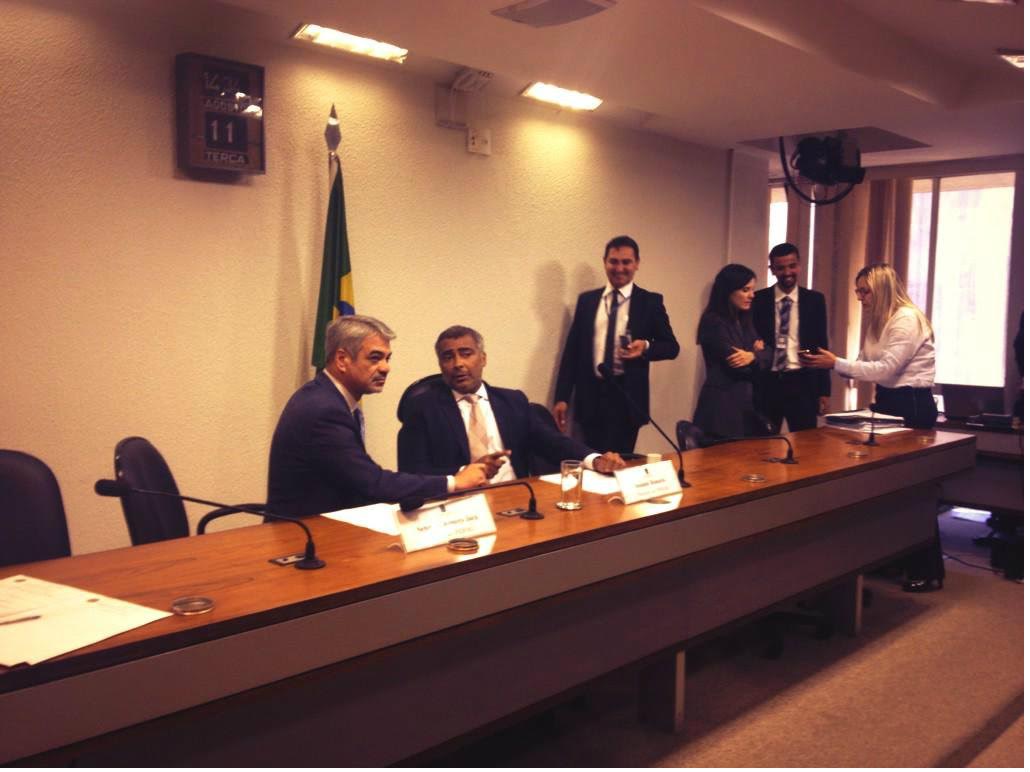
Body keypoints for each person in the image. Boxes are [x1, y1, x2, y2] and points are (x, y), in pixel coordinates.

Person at [801, 263, 941, 592]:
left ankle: (928, 568)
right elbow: (865, 364)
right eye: (858, 291)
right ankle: (894, 558)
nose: (860, 297)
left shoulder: (906, 319)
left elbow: (885, 369)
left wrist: (835, 363)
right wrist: (833, 363)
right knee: (886, 488)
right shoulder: (878, 321)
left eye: (865, 291)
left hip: (912, 405)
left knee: (913, 490)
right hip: (888, 401)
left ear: (883, 290)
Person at [267, 315, 488, 517]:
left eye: (387, 358)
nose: (385, 368)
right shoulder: (324, 409)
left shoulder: (329, 397)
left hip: (330, 524)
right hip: (300, 534)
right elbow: (372, 483)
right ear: (342, 359)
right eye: (375, 358)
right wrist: (455, 482)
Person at [398, 326, 625, 480]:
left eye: (466, 353)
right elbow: (412, 473)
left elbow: (552, 442)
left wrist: (595, 459)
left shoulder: (512, 402)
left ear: (483, 358)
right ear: (440, 365)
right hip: (460, 505)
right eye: (448, 357)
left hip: (515, 497)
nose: (458, 363)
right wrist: (465, 472)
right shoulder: (422, 410)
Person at [553, 235, 680, 454]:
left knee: (622, 465)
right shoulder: (587, 301)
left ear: (637, 264)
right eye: (613, 261)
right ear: (604, 262)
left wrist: (646, 347)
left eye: (626, 262)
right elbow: (572, 352)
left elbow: (671, 347)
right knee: (591, 462)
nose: (619, 268)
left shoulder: (650, 302)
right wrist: (561, 397)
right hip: (590, 397)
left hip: (627, 398)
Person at [753, 242, 831, 432]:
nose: (787, 272)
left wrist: (824, 391)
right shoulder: (758, 300)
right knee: (762, 442)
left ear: (800, 265)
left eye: (792, 266)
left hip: (803, 382)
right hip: (768, 382)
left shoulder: (815, 300)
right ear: (772, 270)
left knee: (805, 443)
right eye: (780, 268)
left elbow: (822, 345)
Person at [693, 264, 772, 439]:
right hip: (721, 409)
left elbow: (769, 354)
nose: (752, 295)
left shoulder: (744, 319)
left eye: (752, 290)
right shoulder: (714, 322)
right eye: (745, 290)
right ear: (728, 291)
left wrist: (753, 356)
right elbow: (738, 366)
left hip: (744, 408)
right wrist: (756, 355)